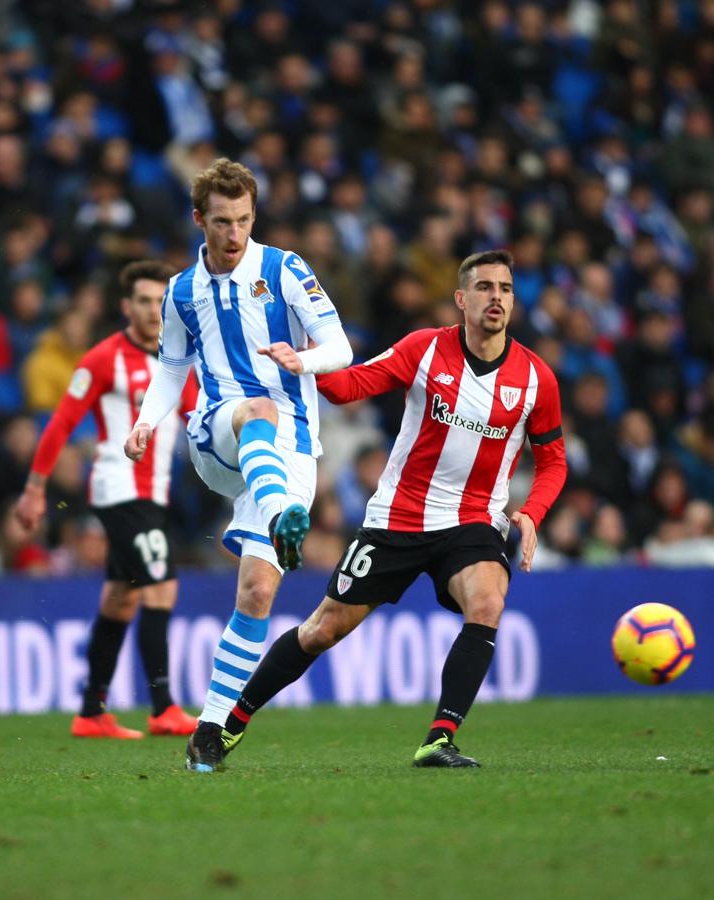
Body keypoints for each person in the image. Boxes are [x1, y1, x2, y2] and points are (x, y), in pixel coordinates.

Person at [208, 249, 568, 770]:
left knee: (487, 603)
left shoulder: (536, 379)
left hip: (472, 520)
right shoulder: (424, 349)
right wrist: (306, 361)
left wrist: (531, 511)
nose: (496, 297)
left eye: (506, 289)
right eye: (485, 287)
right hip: (396, 519)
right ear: (461, 300)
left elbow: (553, 460)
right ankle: (233, 722)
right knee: (321, 630)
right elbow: (351, 385)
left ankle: (440, 739)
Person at [123, 158, 353, 771]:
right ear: (199, 219)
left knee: (256, 592)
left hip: (292, 448)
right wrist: (148, 420)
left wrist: (303, 363)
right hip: (220, 434)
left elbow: (341, 347)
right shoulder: (180, 291)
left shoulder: (284, 268)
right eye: (222, 222)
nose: (234, 235)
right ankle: (282, 515)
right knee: (255, 407)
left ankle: (210, 732)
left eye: (244, 220)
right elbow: (173, 366)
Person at [15, 260, 200, 740]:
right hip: (119, 488)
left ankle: (91, 711)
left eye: (160, 300)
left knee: (121, 598)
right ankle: (163, 707)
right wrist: (35, 489)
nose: (152, 309)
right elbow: (59, 424)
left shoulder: (179, 359)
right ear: (125, 306)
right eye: (143, 300)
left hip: (154, 493)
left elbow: (202, 414)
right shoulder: (101, 359)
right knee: (161, 585)